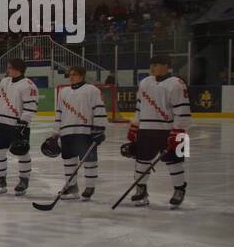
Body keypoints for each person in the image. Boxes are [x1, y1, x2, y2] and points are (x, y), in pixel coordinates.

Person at [123, 54, 190, 207]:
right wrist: (135, 125)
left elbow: (183, 109)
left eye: (157, 64)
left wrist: (179, 130)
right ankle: (141, 190)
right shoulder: (145, 82)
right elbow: (139, 106)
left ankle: (180, 189)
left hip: (169, 130)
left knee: (175, 162)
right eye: (152, 64)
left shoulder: (177, 83)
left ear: (167, 66)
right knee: (141, 162)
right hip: (146, 130)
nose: (153, 67)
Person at [50, 66, 107, 200]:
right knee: (68, 160)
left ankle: (90, 186)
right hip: (67, 131)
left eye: (74, 75)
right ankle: (71, 187)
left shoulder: (92, 90)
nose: (71, 77)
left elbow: (99, 109)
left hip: (85, 131)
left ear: (82, 76)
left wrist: (99, 128)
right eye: (70, 75)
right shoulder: (63, 92)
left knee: (89, 161)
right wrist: (56, 131)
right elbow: (59, 112)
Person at [0, 59, 37, 196]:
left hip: (18, 125)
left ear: (17, 69)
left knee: (21, 152)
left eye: (9, 67)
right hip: (2, 123)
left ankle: (24, 180)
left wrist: (23, 123)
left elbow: (30, 107)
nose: (7, 70)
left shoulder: (28, 85)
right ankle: (1, 180)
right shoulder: (5, 82)